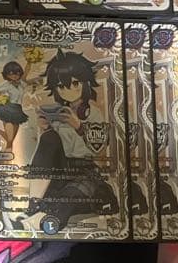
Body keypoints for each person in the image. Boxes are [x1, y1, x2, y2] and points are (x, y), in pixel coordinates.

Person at [27, 50, 118, 227]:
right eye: (61, 86)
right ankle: (34, 201)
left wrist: (79, 127)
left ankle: (44, 222)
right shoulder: (60, 113)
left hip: (84, 171)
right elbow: (50, 150)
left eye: (75, 83)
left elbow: (99, 149)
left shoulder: (93, 114)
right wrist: (45, 128)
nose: (68, 90)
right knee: (49, 138)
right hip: (61, 171)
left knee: (65, 202)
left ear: (86, 83)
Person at [0, 61, 30, 150]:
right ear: (7, 75)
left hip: (18, 110)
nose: (14, 76)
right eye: (11, 73)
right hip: (8, 109)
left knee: (11, 138)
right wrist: (2, 99)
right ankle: (8, 153)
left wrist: (30, 61)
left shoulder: (22, 83)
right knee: (10, 139)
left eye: (17, 73)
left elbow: (27, 71)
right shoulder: (7, 85)